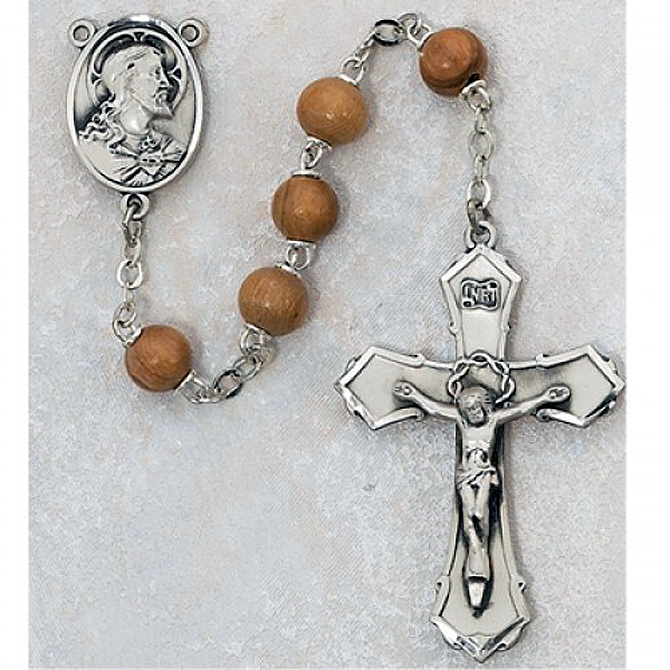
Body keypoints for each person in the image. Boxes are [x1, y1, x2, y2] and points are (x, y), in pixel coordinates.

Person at [393, 380, 570, 610]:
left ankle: (481, 554)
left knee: (479, 514)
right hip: (465, 476)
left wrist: (544, 398)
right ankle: (476, 562)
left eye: (476, 408)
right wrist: (414, 394)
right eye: (468, 410)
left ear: (486, 407)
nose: (473, 413)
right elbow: (435, 408)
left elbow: (520, 409)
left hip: (485, 475)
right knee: (469, 519)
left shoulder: (493, 421)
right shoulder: (462, 423)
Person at [79, 44, 184, 187]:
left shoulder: (171, 149)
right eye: (156, 73)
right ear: (127, 81)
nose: (167, 83)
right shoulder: (94, 147)